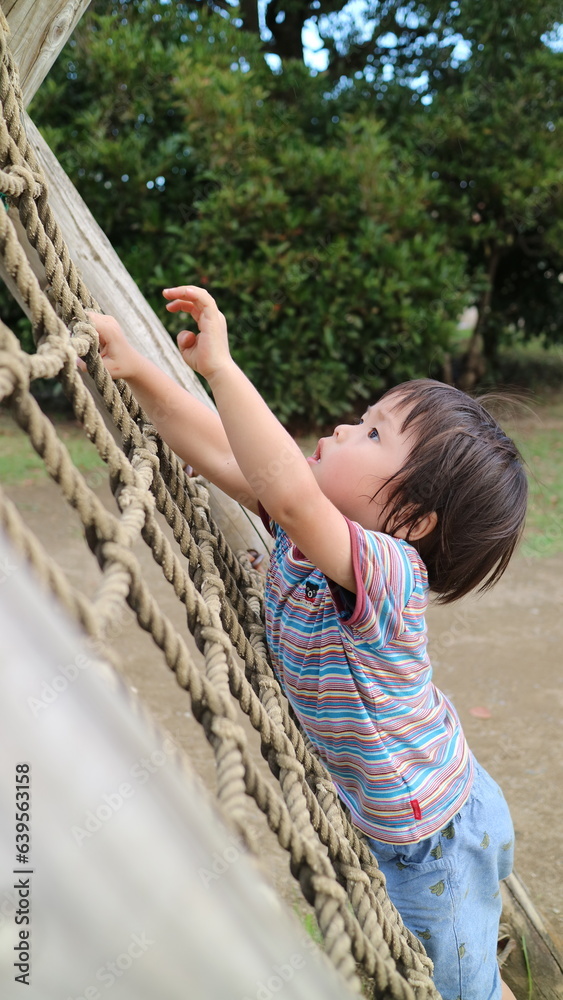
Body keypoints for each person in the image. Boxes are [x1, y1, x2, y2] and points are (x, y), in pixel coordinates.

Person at [86, 285, 526, 1000]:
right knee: (467, 964)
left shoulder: (392, 571)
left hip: (434, 842)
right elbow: (221, 452)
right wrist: (137, 368)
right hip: (417, 812)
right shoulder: (310, 538)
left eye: (374, 435)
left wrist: (222, 369)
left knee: (455, 988)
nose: (345, 429)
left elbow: (287, 491)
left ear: (413, 521)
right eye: (363, 419)